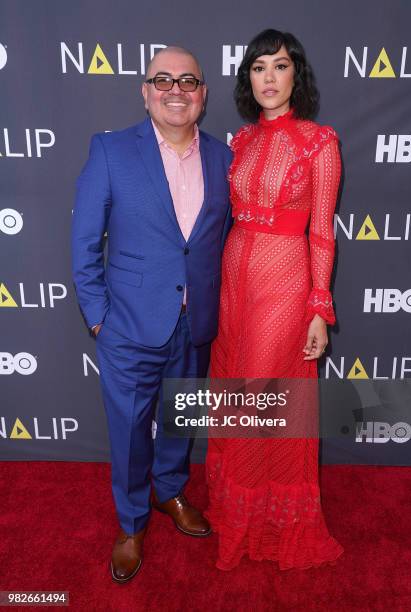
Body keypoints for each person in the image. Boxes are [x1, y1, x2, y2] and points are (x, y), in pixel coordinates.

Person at [71, 46, 232, 583]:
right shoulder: (112, 151)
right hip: (130, 325)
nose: (175, 89)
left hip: (197, 320)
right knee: (130, 429)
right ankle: (132, 521)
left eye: (188, 80)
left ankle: (170, 492)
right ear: (145, 92)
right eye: (162, 80)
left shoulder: (223, 158)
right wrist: (99, 318)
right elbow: (84, 242)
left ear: (203, 94)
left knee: (181, 418)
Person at [205, 29, 345, 570]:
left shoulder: (318, 142)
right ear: (249, 79)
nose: (268, 77)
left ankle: (265, 524)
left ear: (296, 75)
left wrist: (318, 307)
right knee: (233, 396)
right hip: (233, 280)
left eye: (279, 66)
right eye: (258, 67)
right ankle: (236, 510)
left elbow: (323, 233)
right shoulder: (240, 141)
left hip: (284, 281)